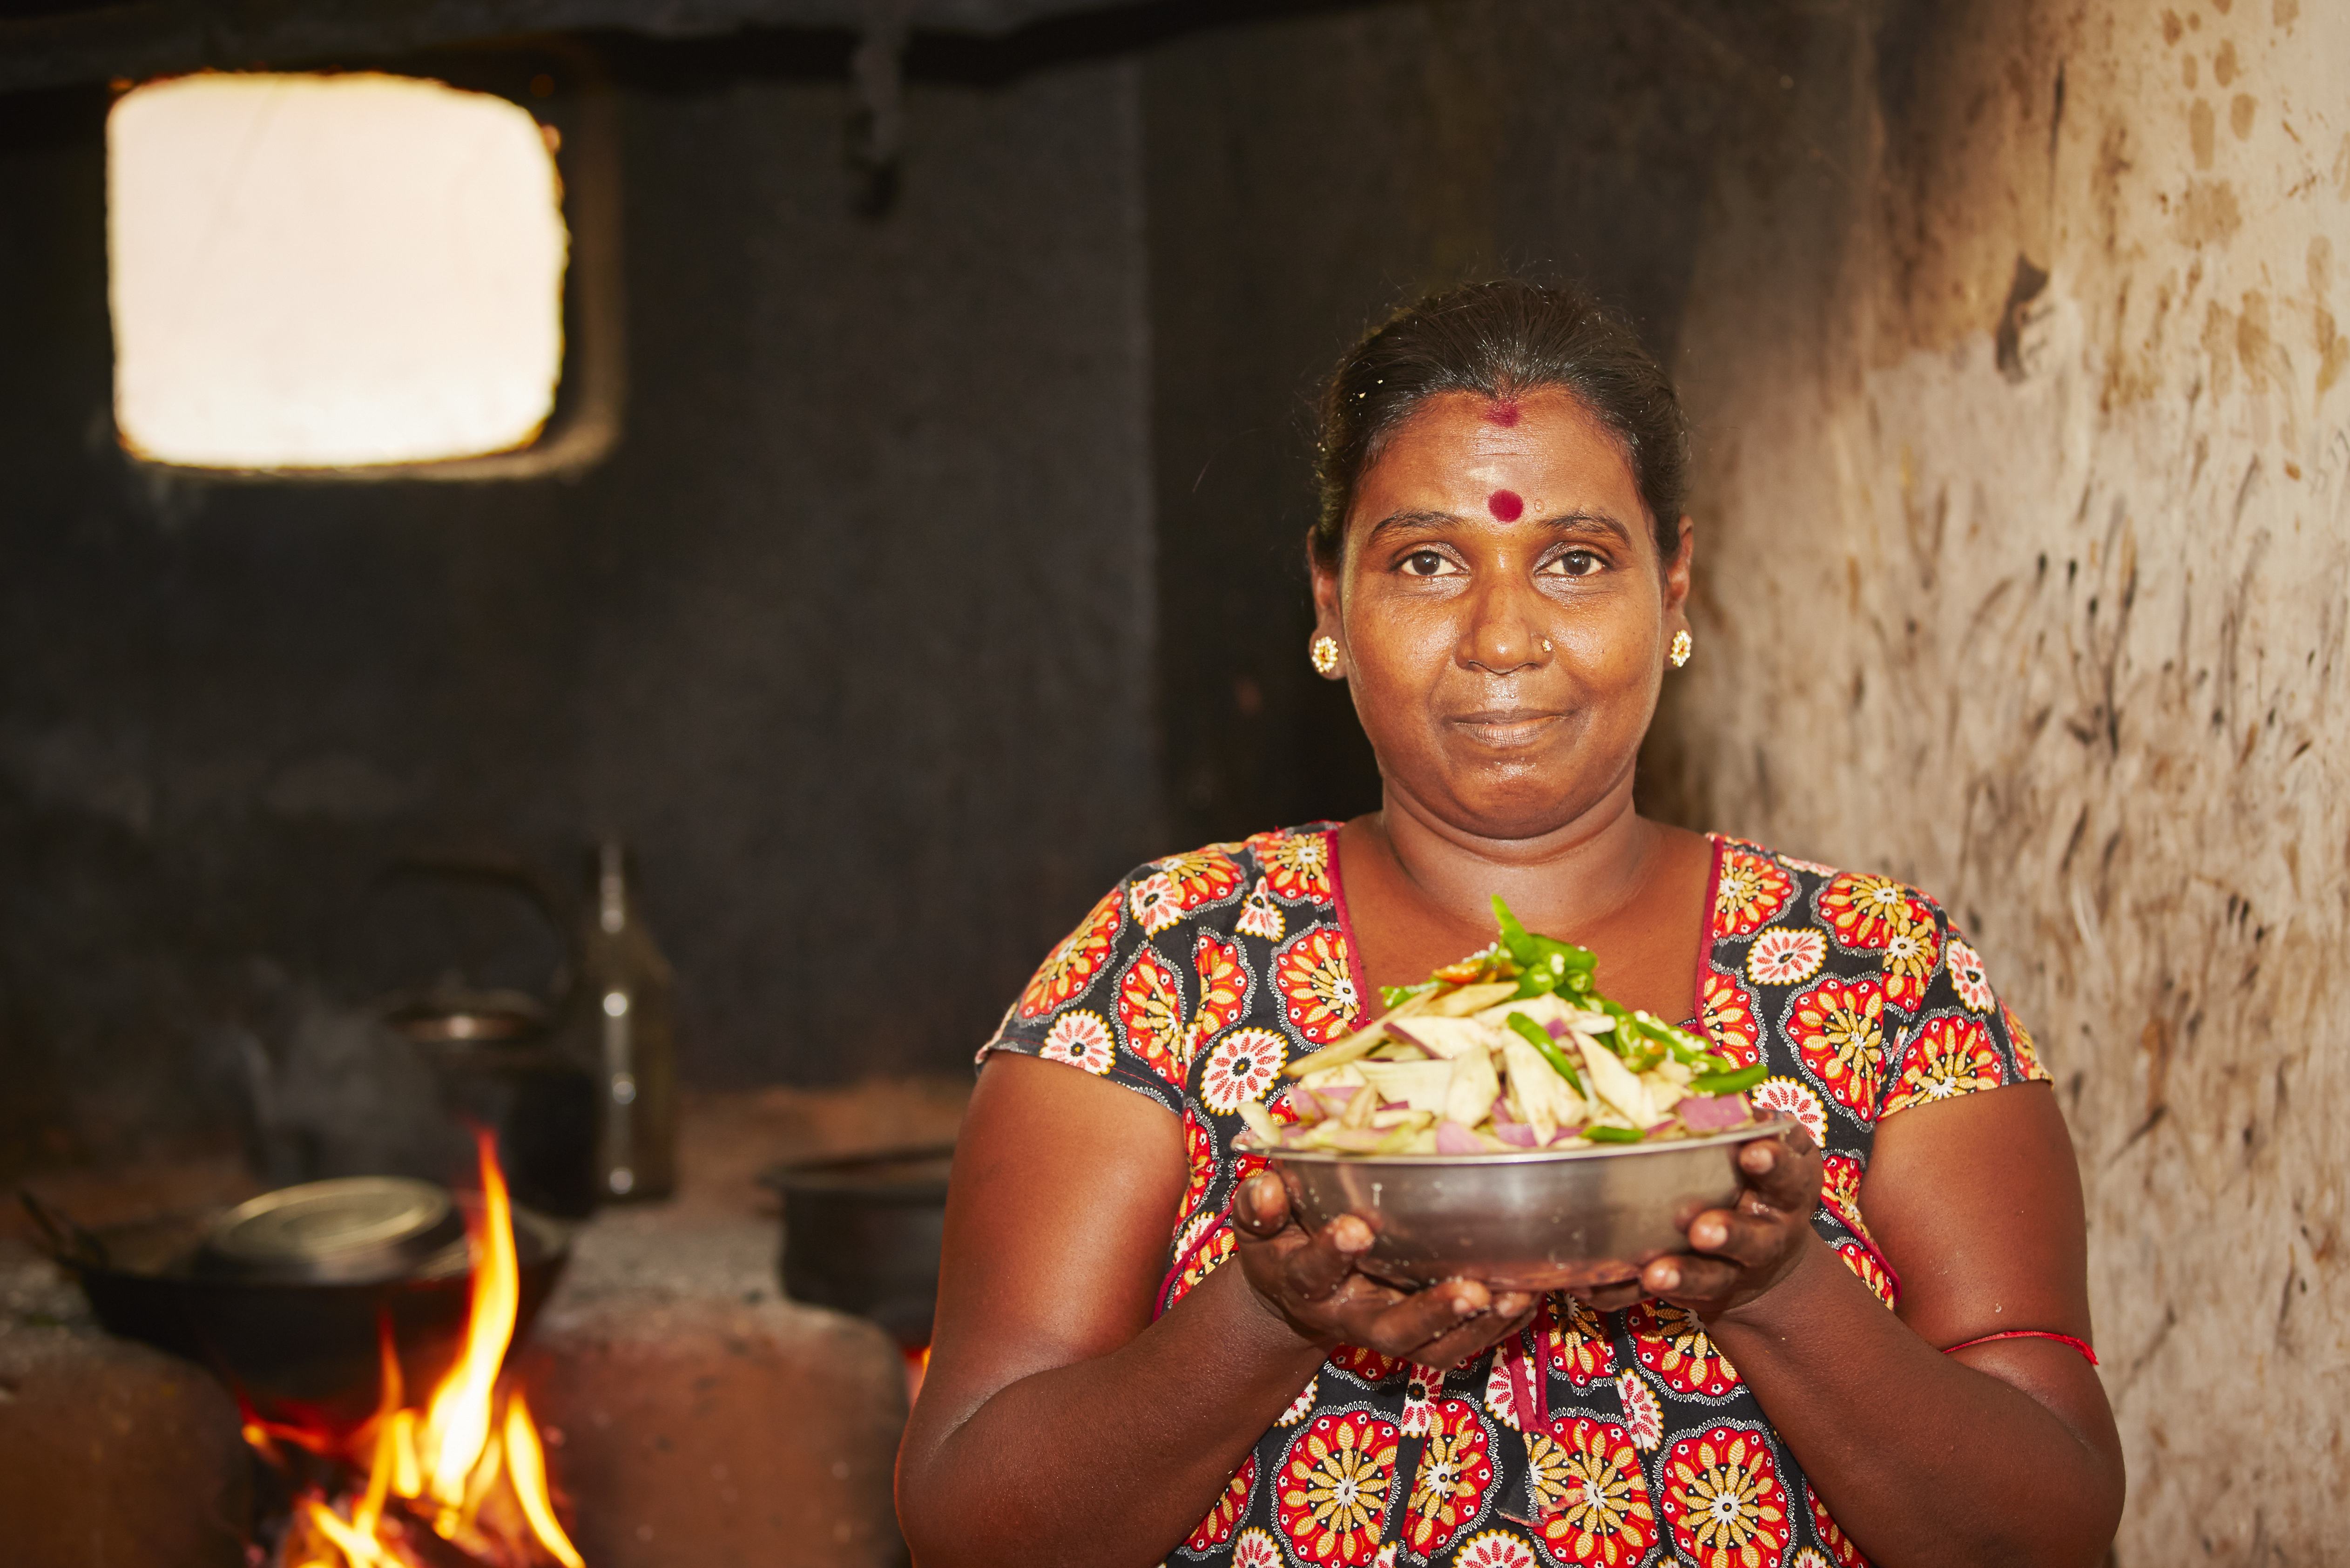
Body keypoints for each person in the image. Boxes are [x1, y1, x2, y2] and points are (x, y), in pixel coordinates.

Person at [896, 280, 2124, 1568]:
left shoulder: (1879, 975)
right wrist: (1266, 1317)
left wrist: (1779, 1288)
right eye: (1427, 562)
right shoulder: (1171, 961)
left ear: (1676, 585)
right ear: (1329, 602)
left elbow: (2051, 1527)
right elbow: (969, 1524)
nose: (1502, 639)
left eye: (1575, 561)